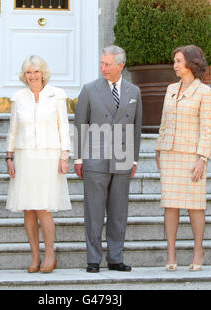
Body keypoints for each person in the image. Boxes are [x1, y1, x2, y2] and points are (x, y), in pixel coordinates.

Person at [74, 45, 142, 273]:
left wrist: (134, 160)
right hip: (95, 158)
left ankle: (115, 257)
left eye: (107, 64)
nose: (103, 68)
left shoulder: (134, 92)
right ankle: (93, 259)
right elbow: (80, 125)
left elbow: (136, 127)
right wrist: (79, 158)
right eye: (101, 63)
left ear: (120, 65)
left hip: (123, 157)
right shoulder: (89, 89)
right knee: (93, 211)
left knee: (119, 212)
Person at [6, 55, 71, 273]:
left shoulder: (56, 95)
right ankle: (35, 256)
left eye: (36, 71)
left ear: (43, 73)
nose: (32, 76)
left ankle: (50, 254)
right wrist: (9, 157)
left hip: (49, 156)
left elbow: (64, 127)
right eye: (28, 72)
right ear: (24, 75)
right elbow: (13, 130)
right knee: (28, 210)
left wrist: (65, 156)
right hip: (25, 156)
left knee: (43, 208)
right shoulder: (18, 97)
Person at [155, 45, 211, 272]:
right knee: (170, 205)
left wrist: (202, 158)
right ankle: (171, 252)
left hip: (192, 156)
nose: (175, 65)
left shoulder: (206, 93)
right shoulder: (171, 88)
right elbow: (163, 123)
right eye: (175, 61)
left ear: (191, 63)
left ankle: (198, 250)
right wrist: (158, 150)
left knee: (195, 206)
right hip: (170, 154)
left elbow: (207, 129)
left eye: (179, 61)